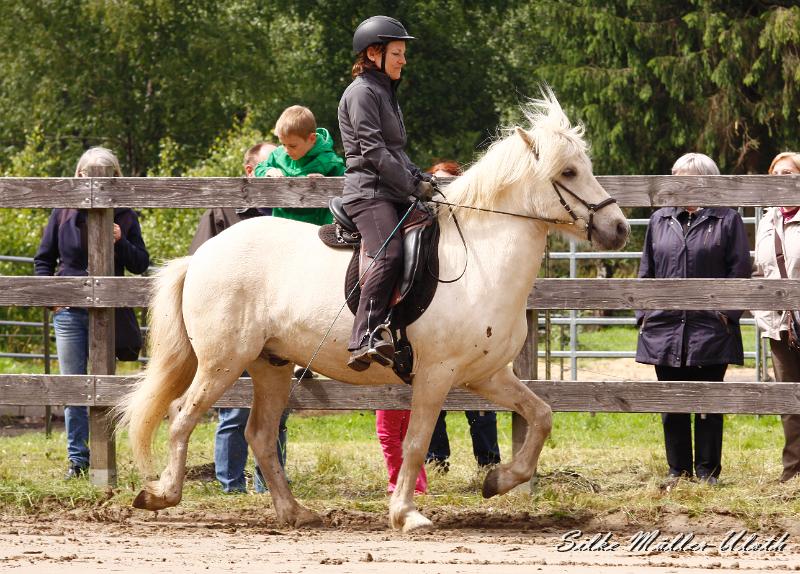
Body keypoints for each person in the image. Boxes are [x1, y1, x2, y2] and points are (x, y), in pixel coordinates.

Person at [338, 15, 434, 494]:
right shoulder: (361, 93)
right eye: (397, 53)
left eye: (403, 53)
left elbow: (398, 150)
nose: (403, 59)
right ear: (374, 53)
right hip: (368, 191)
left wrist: (425, 180)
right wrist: (410, 184)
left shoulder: (385, 92)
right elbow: (374, 153)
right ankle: (364, 335)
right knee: (390, 251)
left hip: (391, 186)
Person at [635, 152, 751, 488]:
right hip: (664, 327)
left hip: (710, 328)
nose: (673, 181)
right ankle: (678, 471)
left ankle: (707, 472)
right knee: (672, 401)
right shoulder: (660, 219)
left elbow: (739, 271)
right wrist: (643, 314)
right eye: (671, 175)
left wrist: (724, 315)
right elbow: (647, 271)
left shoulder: (727, 220)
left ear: (702, 178)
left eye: (679, 175)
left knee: (707, 401)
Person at [34, 147, 150, 479]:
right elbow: (44, 259)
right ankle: (78, 460)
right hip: (70, 311)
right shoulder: (63, 211)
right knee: (74, 385)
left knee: (105, 386)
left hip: (109, 311)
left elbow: (140, 263)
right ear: (79, 175)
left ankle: (104, 458)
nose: (92, 181)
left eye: (103, 175)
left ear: (115, 178)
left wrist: (120, 241)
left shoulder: (125, 214)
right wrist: (51, 297)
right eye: (86, 175)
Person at [189, 141, 289, 494]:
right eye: (269, 166)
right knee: (231, 410)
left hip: (276, 321)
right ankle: (230, 483)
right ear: (251, 171)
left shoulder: (286, 209)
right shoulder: (224, 209)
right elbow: (201, 265)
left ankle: (267, 484)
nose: (278, 172)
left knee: (276, 408)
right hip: (234, 322)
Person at [419, 161, 502, 471]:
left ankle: (488, 459)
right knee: (433, 394)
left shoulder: (476, 229)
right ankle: (435, 459)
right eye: (437, 184)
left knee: (480, 396)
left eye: (448, 185)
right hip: (440, 321)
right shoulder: (425, 229)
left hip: (472, 318)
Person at [255, 104, 344, 380]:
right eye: (282, 144)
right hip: (282, 231)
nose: (287, 150)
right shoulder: (280, 156)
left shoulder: (328, 161)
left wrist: (326, 183)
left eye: (292, 145)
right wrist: (268, 174)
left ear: (311, 140)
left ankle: (306, 356)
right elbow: (259, 169)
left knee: (307, 296)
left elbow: (344, 178)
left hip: (313, 232)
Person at [753, 151, 800, 482]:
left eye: (789, 173)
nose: (782, 178)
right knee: (789, 399)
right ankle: (793, 471)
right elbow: (759, 272)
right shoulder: (767, 220)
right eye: (776, 173)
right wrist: (762, 310)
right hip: (779, 325)